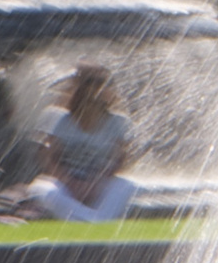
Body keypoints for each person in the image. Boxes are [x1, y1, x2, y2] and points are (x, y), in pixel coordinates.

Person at [21, 63, 137, 222]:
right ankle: (96, 222)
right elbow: (49, 158)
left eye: (102, 82)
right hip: (66, 184)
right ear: (79, 87)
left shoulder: (118, 122)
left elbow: (120, 161)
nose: (96, 88)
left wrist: (95, 184)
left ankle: (89, 221)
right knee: (42, 189)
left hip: (100, 185)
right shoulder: (60, 119)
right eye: (90, 82)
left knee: (127, 185)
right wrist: (69, 182)